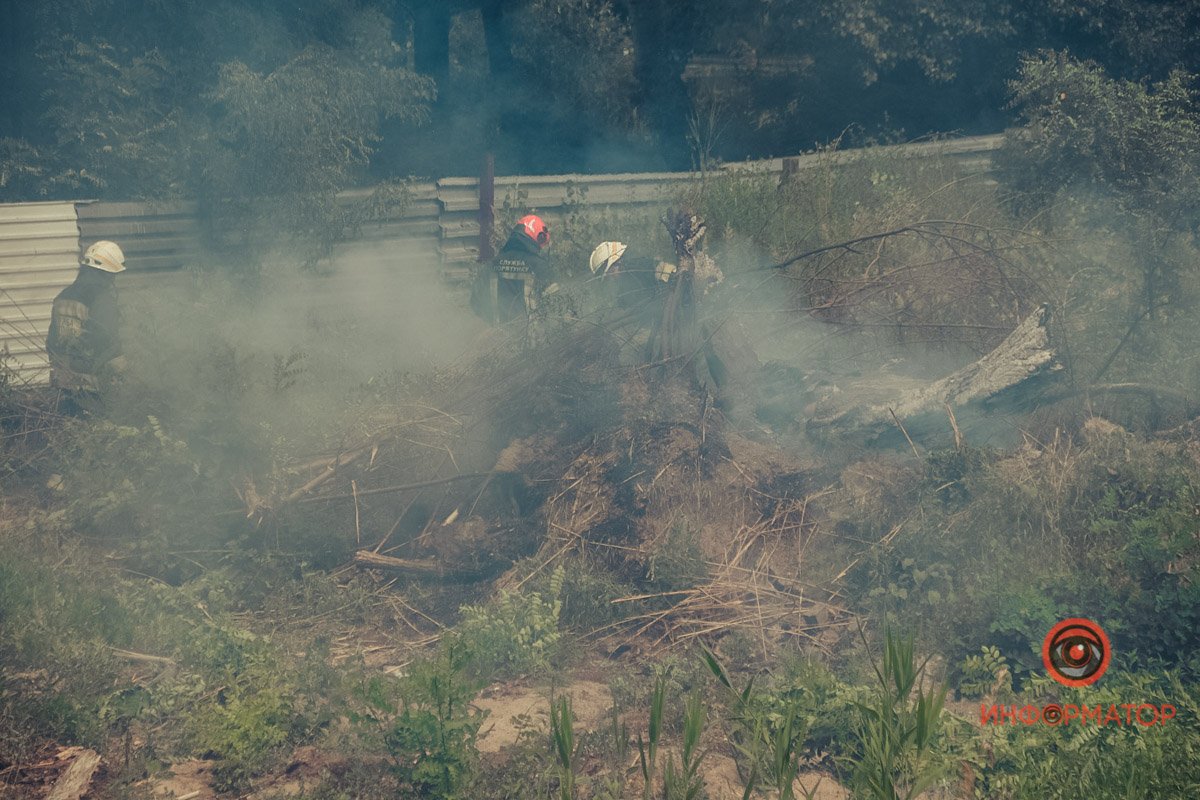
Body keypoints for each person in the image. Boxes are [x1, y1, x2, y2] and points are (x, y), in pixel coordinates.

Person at [46, 240, 127, 412]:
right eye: (112, 275)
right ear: (106, 273)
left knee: (70, 429)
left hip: (63, 383)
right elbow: (109, 343)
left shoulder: (63, 295)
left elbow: (51, 341)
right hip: (92, 387)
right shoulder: (102, 301)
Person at [471, 214, 553, 325]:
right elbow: (556, 303)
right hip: (531, 339)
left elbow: (476, 303)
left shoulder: (491, 265)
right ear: (537, 237)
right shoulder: (539, 266)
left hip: (496, 339)